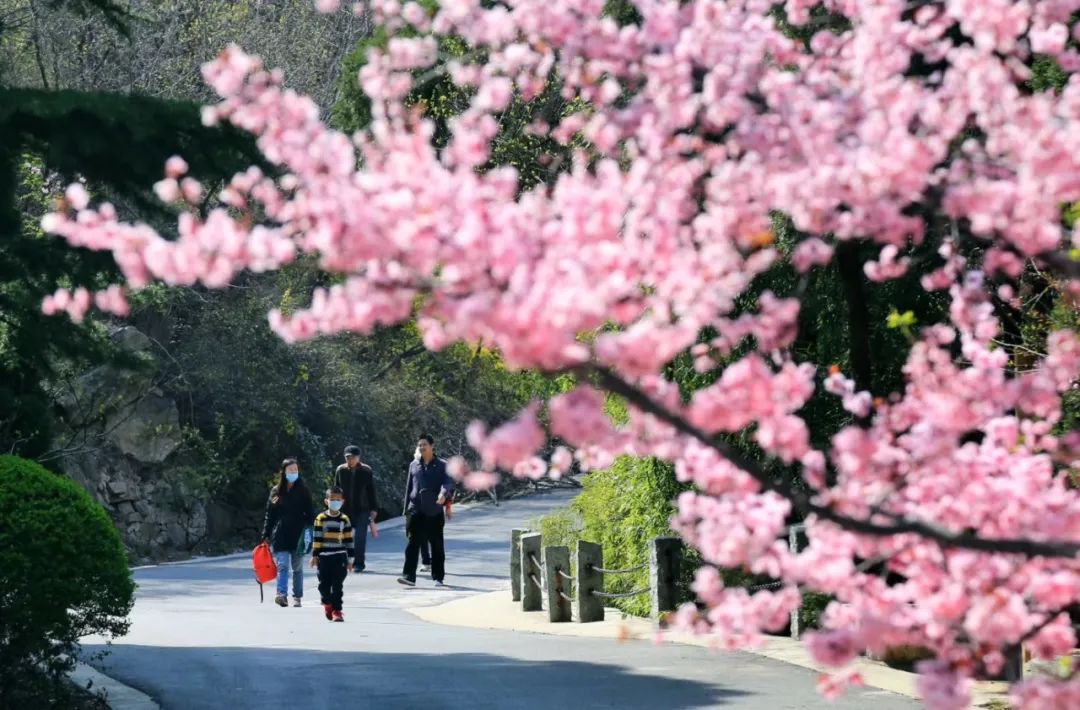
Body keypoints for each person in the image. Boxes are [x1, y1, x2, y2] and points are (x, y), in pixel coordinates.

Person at [398, 434, 454, 588]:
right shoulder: (414, 465)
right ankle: (409, 576)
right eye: (420, 445)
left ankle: (438, 577)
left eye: (424, 445)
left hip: (434, 510)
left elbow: (448, 483)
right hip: (415, 510)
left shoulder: (442, 465)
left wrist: (444, 495)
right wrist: (406, 510)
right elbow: (409, 487)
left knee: (436, 545)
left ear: (432, 446)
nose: (422, 447)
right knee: (412, 544)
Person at [261, 458, 314, 607]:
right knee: (282, 565)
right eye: (290, 470)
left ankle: (297, 596)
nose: (293, 472)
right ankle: (281, 595)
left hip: (299, 535)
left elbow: (310, 514)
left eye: (295, 470)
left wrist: (310, 532)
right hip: (281, 534)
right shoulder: (276, 491)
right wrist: (266, 534)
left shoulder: (303, 490)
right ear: (283, 472)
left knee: (297, 567)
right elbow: (270, 515)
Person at [311, 486, 354, 622]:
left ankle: (337, 611)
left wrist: (350, 559)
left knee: (337, 586)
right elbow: (317, 538)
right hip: (324, 558)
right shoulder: (321, 518)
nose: (335, 502)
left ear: (342, 501)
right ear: (326, 501)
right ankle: (327, 603)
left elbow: (348, 540)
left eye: (338, 500)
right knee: (323, 585)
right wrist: (314, 555)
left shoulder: (344, 519)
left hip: (340, 557)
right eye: (332, 499)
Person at [334, 445, 378, 573]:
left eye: (353, 457)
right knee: (343, 537)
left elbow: (371, 491)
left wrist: (373, 508)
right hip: (345, 509)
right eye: (348, 457)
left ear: (359, 457)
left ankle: (359, 563)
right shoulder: (340, 470)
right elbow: (336, 489)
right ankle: (344, 561)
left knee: (360, 537)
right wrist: (333, 506)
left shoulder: (366, 470)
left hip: (362, 509)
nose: (350, 460)